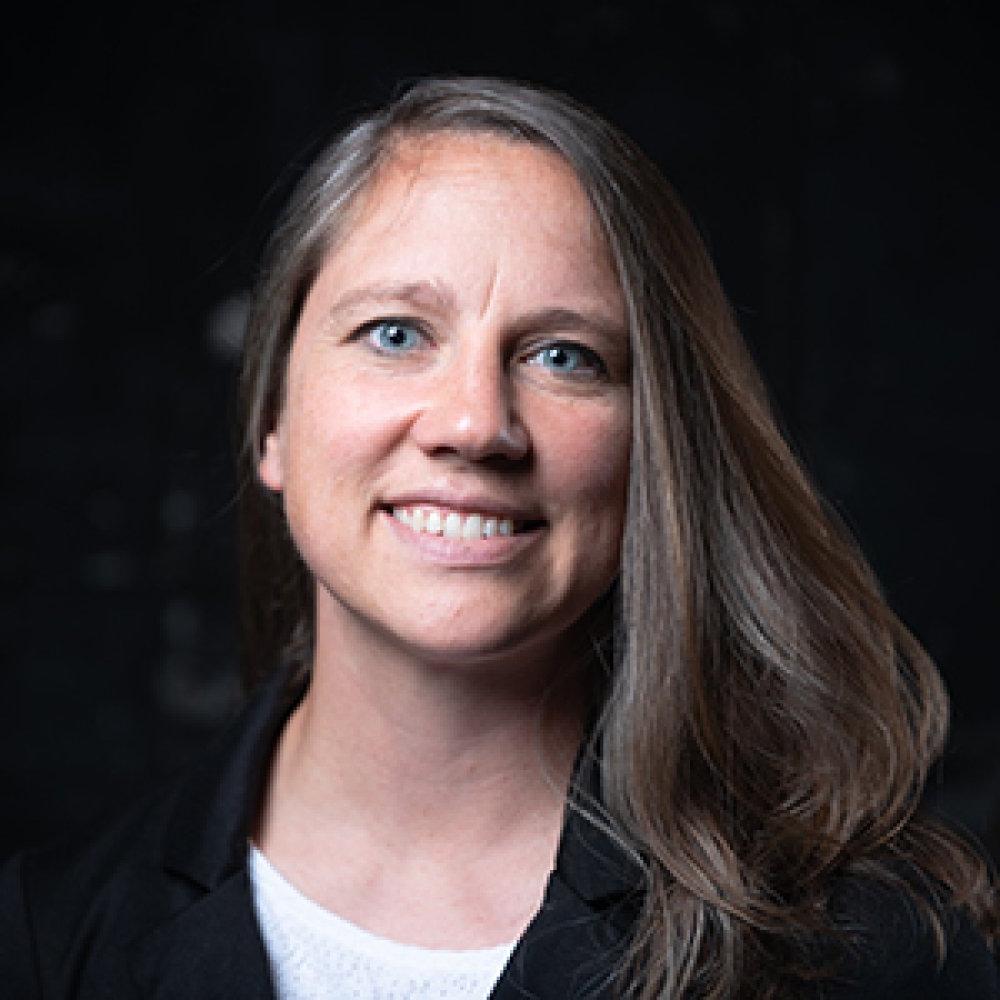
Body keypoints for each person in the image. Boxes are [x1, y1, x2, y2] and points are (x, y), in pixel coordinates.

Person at [1, 77, 997, 1000]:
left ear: (652, 451)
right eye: (395, 333)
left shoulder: (865, 952)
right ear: (272, 418)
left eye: (564, 356)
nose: (476, 423)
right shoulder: (45, 939)